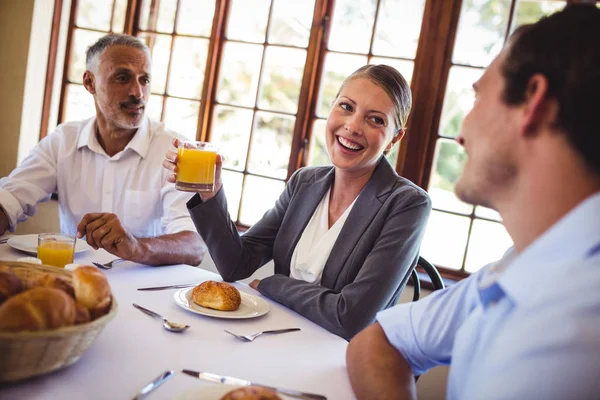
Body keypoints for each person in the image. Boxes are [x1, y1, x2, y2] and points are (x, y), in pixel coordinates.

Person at [346, 5, 600, 399]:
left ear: (533, 102)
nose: (461, 132)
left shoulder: (580, 332)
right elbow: (377, 340)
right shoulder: (515, 265)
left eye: (480, 98)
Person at [163, 64, 432, 340]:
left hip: (338, 359)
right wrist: (211, 192)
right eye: (346, 107)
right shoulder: (305, 183)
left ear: (394, 139)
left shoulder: (408, 204)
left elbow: (350, 317)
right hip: (269, 337)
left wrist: (271, 285)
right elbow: (236, 265)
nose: (352, 126)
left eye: (375, 120)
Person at [0, 34, 205, 266]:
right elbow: (10, 197)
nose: (137, 93)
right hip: (71, 282)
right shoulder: (63, 141)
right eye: (122, 77)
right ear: (89, 83)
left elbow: (194, 245)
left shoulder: (175, 151)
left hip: (146, 293)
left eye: (144, 80)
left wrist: (136, 247)